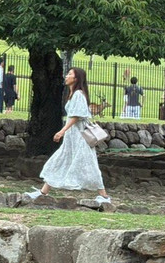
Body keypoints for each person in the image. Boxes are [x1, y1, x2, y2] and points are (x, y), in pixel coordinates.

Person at [23, 67, 111, 207]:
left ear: (76, 79)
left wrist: (62, 131)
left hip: (79, 137)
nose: (66, 76)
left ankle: (104, 196)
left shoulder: (78, 95)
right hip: (72, 138)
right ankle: (43, 192)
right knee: (60, 160)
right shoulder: (73, 94)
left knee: (89, 164)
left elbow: (76, 116)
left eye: (70, 74)